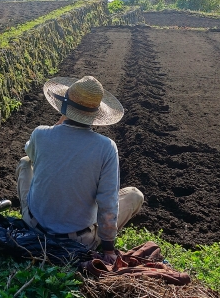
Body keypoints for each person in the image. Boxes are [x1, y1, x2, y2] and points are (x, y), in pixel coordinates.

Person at [16, 75, 144, 262]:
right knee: (134, 195)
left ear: (64, 107)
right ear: (96, 114)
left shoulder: (40, 134)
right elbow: (107, 201)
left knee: (25, 162)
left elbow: (33, 156)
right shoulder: (106, 148)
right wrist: (108, 250)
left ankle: (32, 216)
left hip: (33, 228)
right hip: (80, 241)